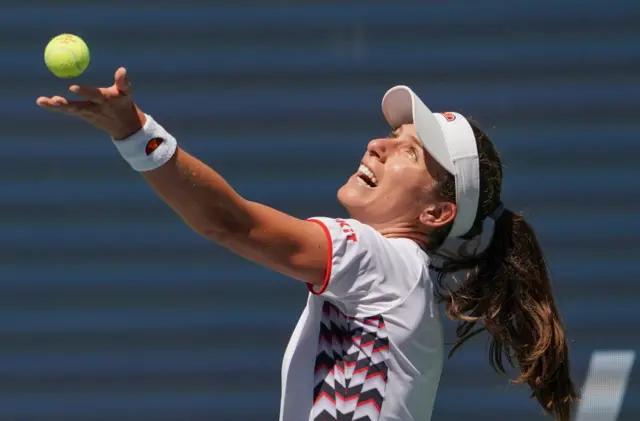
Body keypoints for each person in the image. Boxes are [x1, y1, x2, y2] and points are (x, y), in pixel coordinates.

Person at [37, 68, 579, 421]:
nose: (378, 144)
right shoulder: (399, 278)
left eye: (409, 152)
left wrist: (135, 132)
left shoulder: (378, 261)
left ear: (436, 213)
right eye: (392, 136)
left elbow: (230, 223)